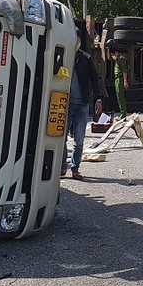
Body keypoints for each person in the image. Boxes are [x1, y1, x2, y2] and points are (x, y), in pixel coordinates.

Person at [63, 27, 105, 180]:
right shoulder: (60, 56)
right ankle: (62, 168)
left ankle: (75, 169)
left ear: (79, 41)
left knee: (79, 140)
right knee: (61, 138)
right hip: (64, 105)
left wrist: (98, 98)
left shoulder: (86, 59)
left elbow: (95, 79)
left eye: (77, 39)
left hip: (82, 105)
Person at [105, 38, 129, 119]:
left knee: (121, 97)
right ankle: (122, 113)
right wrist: (108, 49)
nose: (112, 56)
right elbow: (108, 58)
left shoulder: (121, 59)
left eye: (113, 54)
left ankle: (123, 114)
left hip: (120, 79)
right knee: (119, 97)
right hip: (116, 79)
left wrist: (125, 81)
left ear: (116, 52)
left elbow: (124, 71)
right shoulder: (117, 59)